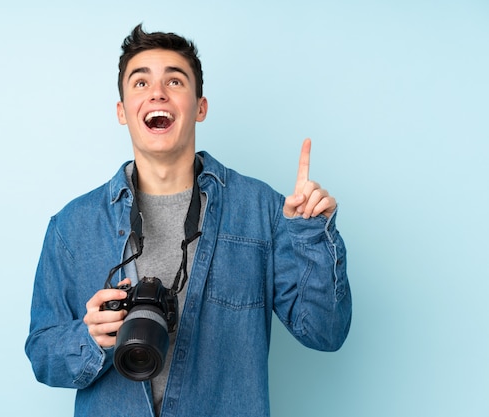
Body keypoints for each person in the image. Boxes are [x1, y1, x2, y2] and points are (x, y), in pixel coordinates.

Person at [25, 24, 352, 417]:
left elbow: (324, 333)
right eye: (140, 82)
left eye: (175, 81)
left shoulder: (263, 210)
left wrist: (312, 234)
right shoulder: (72, 226)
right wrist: (90, 337)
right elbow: (43, 356)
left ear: (200, 106)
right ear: (121, 110)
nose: (157, 92)